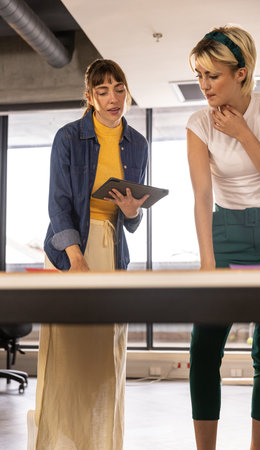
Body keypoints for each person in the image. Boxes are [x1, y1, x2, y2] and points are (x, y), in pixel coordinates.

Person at [186, 25, 260, 450]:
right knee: (203, 351)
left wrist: (243, 134)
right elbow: (201, 196)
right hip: (226, 231)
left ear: (241, 72)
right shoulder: (198, 121)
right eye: (199, 75)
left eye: (211, 75)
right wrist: (207, 262)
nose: (204, 85)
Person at [27, 59, 149, 450]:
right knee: (68, 357)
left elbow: (130, 217)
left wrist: (133, 213)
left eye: (119, 89)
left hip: (112, 249)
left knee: (105, 356)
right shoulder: (68, 138)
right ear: (90, 98)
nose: (113, 98)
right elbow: (58, 203)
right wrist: (76, 261)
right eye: (103, 91)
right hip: (69, 251)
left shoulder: (138, 144)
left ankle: (101, 442)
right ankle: (60, 443)